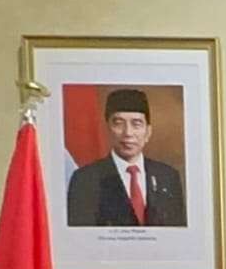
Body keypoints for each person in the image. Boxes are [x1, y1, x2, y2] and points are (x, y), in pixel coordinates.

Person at [66, 88, 187, 226]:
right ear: (107, 129)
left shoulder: (168, 177)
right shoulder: (86, 179)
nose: (128, 133)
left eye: (136, 124)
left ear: (148, 132)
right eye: (118, 123)